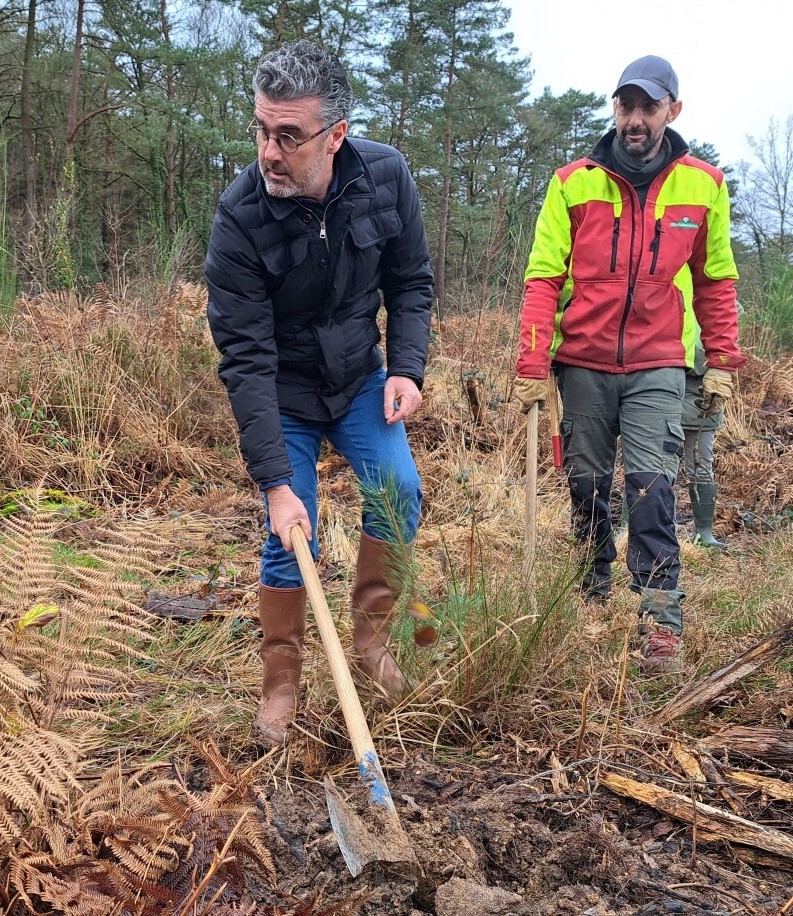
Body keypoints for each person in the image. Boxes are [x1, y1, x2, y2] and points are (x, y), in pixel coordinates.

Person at [205, 40, 433, 743]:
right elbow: (244, 360)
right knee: (290, 528)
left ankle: (371, 643)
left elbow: (411, 281)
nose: (269, 153)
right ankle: (282, 680)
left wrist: (406, 368)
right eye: (261, 130)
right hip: (282, 394)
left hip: (360, 378)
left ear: (334, 135)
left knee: (398, 491)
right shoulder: (239, 218)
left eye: (289, 136)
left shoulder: (385, 175)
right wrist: (275, 481)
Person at [514, 55, 745, 673]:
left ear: (673, 110)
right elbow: (544, 275)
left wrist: (722, 357)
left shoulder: (705, 185)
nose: (635, 119)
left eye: (648, 106)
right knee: (587, 486)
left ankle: (660, 621)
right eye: (626, 106)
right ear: (614, 109)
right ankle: (590, 586)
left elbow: (715, 279)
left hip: (659, 361)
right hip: (583, 361)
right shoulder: (573, 183)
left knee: (651, 488)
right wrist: (533, 362)